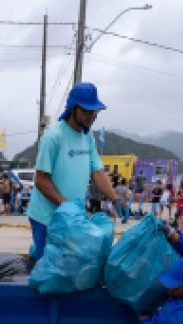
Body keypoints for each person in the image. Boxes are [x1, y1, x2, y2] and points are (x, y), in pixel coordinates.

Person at [26, 82, 116, 258]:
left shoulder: (87, 136)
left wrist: (115, 198)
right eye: (86, 111)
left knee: (67, 269)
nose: (91, 116)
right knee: (49, 272)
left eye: (94, 112)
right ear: (73, 108)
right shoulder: (53, 137)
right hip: (46, 218)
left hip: (71, 218)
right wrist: (66, 205)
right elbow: (41, 179)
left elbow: (97, 171)